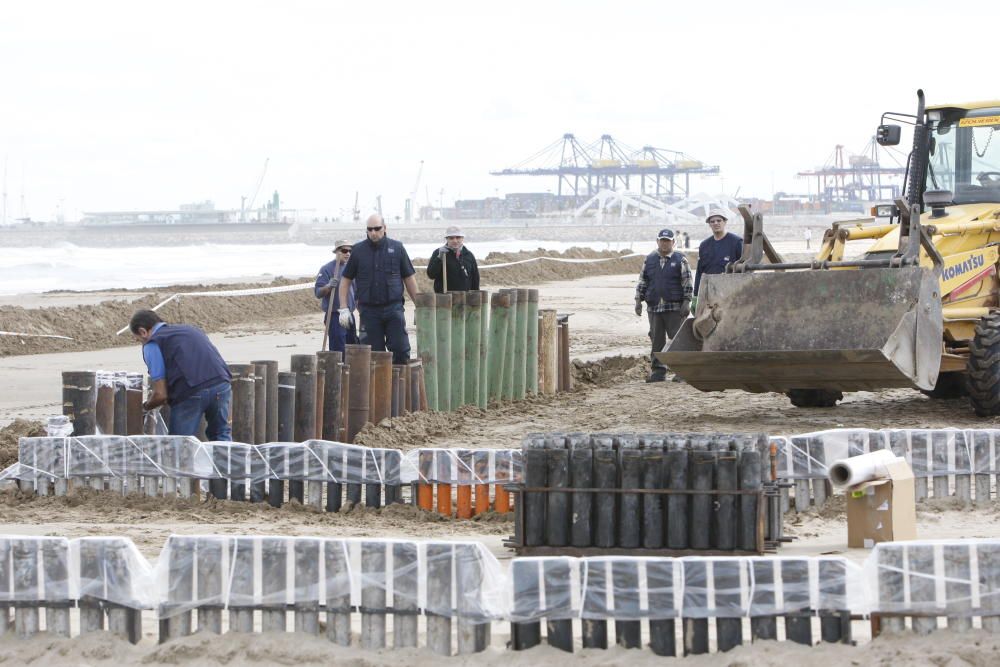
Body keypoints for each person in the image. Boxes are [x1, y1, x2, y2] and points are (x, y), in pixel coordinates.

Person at [129, 309, 232, 439]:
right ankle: (227, 459)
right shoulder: (191, 329)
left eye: (139, 340)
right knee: (221, 434)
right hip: (222, 384)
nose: (141, 343)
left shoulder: (152, 344)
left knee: (180, 443)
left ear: (143, 332)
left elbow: (160, 395)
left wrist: (145, 407)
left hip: (191, 391)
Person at [338, 214, 419, 364]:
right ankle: (378, 387)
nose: (373, 232)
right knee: (373, 357)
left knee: (401, 351)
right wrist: (343, 308)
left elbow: (409, 278)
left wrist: (419, 306)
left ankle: (397, 385)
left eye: (377, 228)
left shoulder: (397, 248)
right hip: (369, 312)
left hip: (393, 309)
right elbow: (345, 280)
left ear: (385, 228)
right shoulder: (357, 251)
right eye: (370, 229)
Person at [634, 228, 692, 382]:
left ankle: (682, 372)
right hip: (654, 307)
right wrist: (638, 301)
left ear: (673, 242)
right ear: (657, 241)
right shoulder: (650, 259)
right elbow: (643, 281)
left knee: (677, 340)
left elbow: (687, 282)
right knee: (656, 339)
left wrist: (687, 302)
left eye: (668, 241)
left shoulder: (681, 260)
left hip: (674, 308)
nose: (665, 243)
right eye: (662, 240)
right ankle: (658, 372)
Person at [692, 210, 743, 312]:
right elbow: (699, 272)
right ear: (709, 224)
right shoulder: (704, 245)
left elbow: (744, 271)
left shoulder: (736, 242)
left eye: (719, 220)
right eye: (712, 221)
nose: (716, 223)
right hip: (709, 295)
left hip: (730, 294)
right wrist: (696, 296)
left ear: (725, 222)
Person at [314, 239, 358, 352]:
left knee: (352, 347)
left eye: (350, 251)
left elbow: (357, 291)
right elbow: (318, 293)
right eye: (344, 250)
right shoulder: (327, 269)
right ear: (337, 252)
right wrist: (328, 286)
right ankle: (339, 369)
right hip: (334, 316)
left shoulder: (353, 268)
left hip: (349, 314)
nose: (348, 253)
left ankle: (350, 369)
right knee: (338, 348)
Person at [426, 225, 480, 293]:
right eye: (451, 238)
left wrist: (476, 295)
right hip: (445, 298)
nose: (455, 241)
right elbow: (431, 275)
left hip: (465, 298)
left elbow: (475, 278)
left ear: (462, 238)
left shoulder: (468, 255)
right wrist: (439, 258)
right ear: (447, 239)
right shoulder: (438, 253)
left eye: (458, 237)